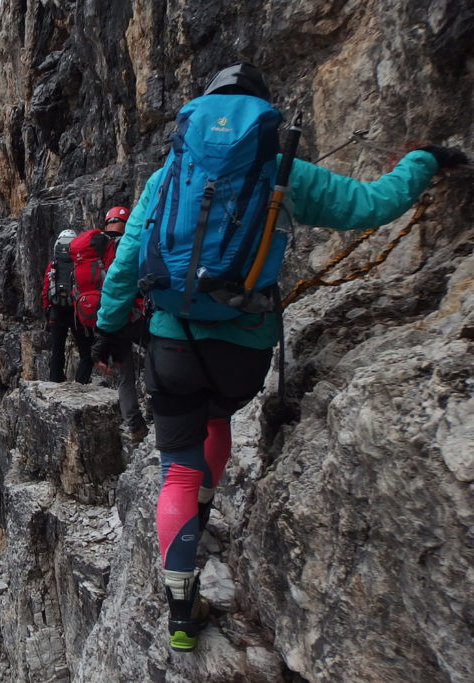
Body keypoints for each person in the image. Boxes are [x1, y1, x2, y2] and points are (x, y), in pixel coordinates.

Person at [93, 61, 469, 653]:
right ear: (262, 116)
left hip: (171, 341)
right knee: (218, 420)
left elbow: (126, 260)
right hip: (244, 344)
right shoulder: (283, 168)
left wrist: (108, 329)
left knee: (177, 466)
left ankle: (181, 609)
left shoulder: (171, 172)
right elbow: (371, 205)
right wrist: (425, 161)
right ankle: (206, 510)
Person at [70, 207, 149, 444]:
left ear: (106, 223)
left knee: (124, 376)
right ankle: (159, 407)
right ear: (125, 223)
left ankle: (135, 426)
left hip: (104, 320)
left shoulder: (93, 250)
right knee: (158, 351)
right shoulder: (128, 245)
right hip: (133, 316)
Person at [42, 228, 93, 383]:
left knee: (57, 351)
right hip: (77, 313)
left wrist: (48, 312)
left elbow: (45, 290)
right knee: (86, 352)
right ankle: (81, 383)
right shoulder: (79, 263)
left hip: (56, 312)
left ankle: (55, 382)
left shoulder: (53, 265)